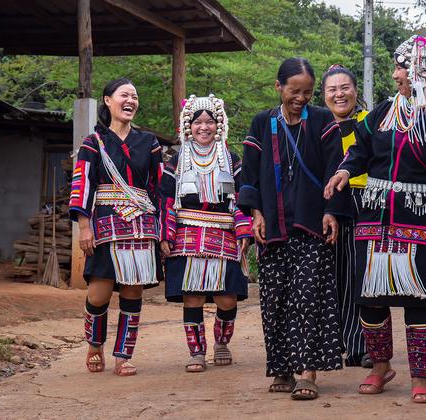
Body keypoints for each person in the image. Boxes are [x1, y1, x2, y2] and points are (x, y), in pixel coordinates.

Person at [325, 35, 426, 403]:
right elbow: (361, 149)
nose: (395, 74)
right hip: (375, 218)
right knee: (371, 298)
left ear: (421, 73)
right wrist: (346, 171)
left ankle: (422, 377)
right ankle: (380, 366)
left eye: (401, 67)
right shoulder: (383, 112)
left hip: (423, 220)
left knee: (418, 299)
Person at [238, 57, 351, 400]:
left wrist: (332, 211)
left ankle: (308, 372)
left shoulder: (321, 121)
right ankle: (283, 368)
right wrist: (255, 213)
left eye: (308, 92)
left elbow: (336, 168)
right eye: (294, 91)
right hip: (273, 227)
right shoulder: (262, 123)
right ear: (279, 88)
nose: (301, 98)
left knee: (309, 299)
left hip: (311, 224)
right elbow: (250, 173)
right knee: (275, 300)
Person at [69, 78, 163, 376]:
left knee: (133, 292)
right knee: (99, 292)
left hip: (141, 226)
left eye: (134, 96)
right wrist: (85, 227)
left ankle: (124, 354)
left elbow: (158, 186)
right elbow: (82, 183)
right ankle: (95, 343)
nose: (130, 101)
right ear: (108, 101)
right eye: (124, 95)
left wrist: (163, 228)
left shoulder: (149, 143)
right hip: (106, 222)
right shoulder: (93, 142)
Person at [159, 94, 252, 373]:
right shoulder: (177, 160)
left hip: (224, 231)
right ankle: (196, 351)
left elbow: (243, 196)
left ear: (218, 124)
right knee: (193, 296)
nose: (203, 127)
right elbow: (166, 198)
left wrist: (244, 228)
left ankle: (222, 342)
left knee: (227, 297)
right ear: (188, 125)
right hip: (186, 234)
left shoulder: (231, 159)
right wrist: (166, 232)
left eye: (209, 121)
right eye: (197, 121)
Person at [321, 64, 370, 368]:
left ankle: (362, 345)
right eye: (332, 89)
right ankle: (339, 342)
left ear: (355, 90)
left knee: (361, 277)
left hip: (365, 203)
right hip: (330, 205)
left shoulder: (371, 122)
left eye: (345, 88)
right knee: (335, 278)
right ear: (324, 95)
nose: (339, 94)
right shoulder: (318, 126)